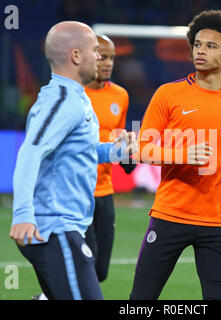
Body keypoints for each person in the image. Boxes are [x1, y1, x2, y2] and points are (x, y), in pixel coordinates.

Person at [130, 10, 221, 300]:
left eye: (211, 46)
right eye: (197, 44)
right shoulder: (167, 95)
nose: (200, 50)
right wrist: (183, 153)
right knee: (140, 301)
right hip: (170, 214)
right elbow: (141, 150)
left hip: (220, 221)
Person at [9, 21, 137, 300]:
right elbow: (30, 152)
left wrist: (117, 151)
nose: (100, 58)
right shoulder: (63, 101)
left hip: (66, 228)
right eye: (95, 51)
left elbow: (86, 150)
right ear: (76, 56)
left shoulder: (77, 98)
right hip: (55, 230)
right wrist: (22, 214)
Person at [84, 35, 136, 283]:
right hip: (78, 193)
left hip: (105, 192)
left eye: (112, 58)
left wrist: (127, 154)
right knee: (88, 267)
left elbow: (117, 137)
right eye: (103, 57)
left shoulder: (120, 96)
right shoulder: (74, 94)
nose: (108, 63)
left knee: (100, 271)